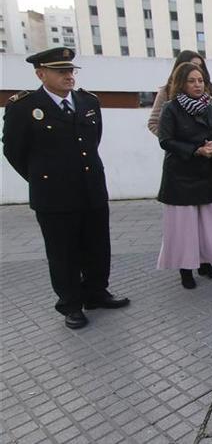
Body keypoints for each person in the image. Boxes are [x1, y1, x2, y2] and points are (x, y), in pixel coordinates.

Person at [2, 47, 130, 329]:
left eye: (70, 70)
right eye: (61, 71)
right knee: (63, 253)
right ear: (41, 73)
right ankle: (71, 304)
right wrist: (41, 178)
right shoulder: (24, 107)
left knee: (97, 246)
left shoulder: (88, 102)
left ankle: (96, 292)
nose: (68, 76)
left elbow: (92, 141)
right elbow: (13, 151)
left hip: (91, 188)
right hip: (54, 197)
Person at [157, 62, 212, 289]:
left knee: (207, 224)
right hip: (181, 177)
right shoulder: (171, 108)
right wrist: (195, 150)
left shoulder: (211, 108)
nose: (198, 85)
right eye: (192, 81)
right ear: (181, 83)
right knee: (184, 227)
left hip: (206, 174)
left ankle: (206, 264)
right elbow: (166, 140)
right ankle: (185, 270)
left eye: (200, 80)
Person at [148, 50, 212, 136]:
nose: (198, 68)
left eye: (201, 66)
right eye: (194, 64)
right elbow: (153, 123)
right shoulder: (166, 92)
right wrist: (172, 140)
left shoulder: (209, 90)